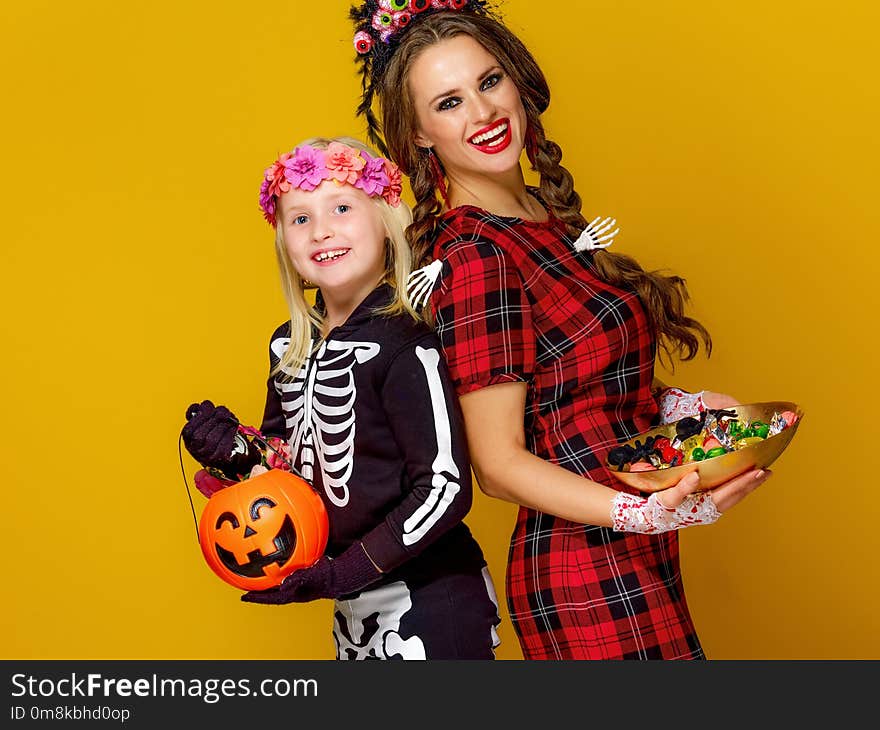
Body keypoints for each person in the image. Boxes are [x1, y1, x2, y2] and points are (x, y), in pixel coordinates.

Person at [348, 1, 771, 660]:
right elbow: (497, 465)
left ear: (515, 80)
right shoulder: (474, 254)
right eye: (449, 102)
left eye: (489, 83)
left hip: (631, 555)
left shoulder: (541, 218)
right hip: (582, 568)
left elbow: (578, 391)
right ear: (421, 134)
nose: (483, 114)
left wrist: (682, 410)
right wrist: (646, 513)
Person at [182, 136, 501, 660]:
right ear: (282, 238)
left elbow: (444, 487)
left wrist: (339, 572)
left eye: (342, 208)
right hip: (352, 606)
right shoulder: (289, 345)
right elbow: (283, 473)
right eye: (299, 218)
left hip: (431, 600)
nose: (321, 230)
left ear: (384, 218)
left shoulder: (405, 345)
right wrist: (234, 452)